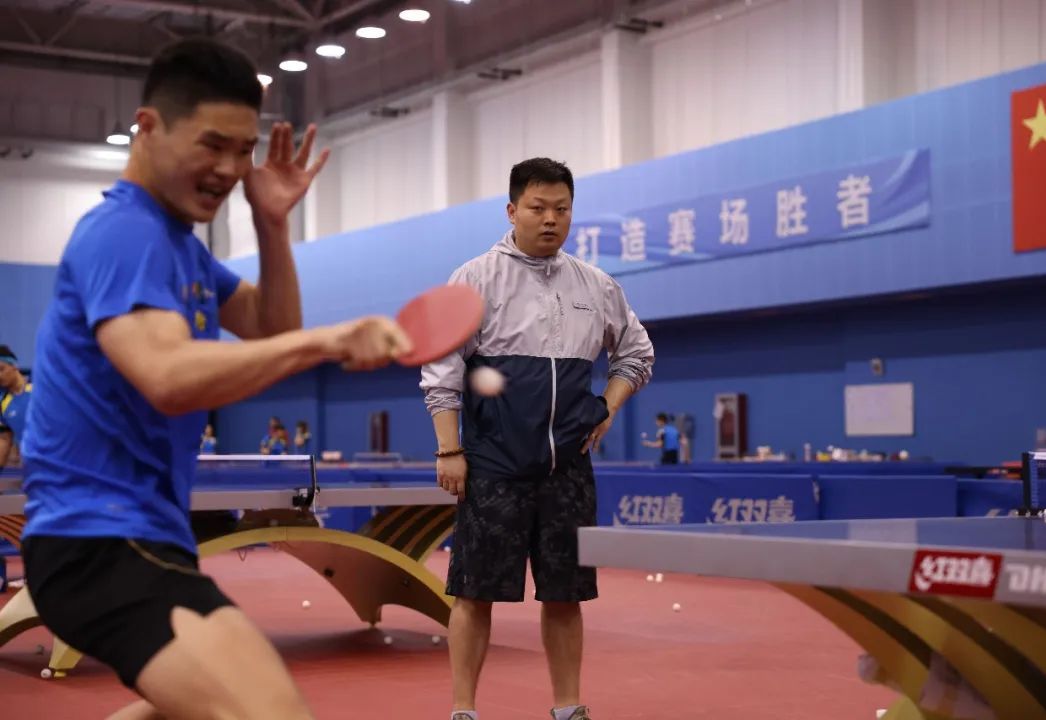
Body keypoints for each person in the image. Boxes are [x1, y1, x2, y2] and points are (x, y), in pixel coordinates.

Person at [20, 38, 411, 720]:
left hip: (147, 536)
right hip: (97, 541)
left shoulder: (181, 247)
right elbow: (167, 374)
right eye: (212, 145)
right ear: (148, 127)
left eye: (243, 149)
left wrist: (272, 223)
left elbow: (269, 326)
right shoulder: (125, 233)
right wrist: (330, 340)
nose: (230, 168)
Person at [421, 157, 655, 720]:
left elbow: (636, 354)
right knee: (473, 592)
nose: (551, 219)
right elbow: (442, 369)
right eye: (538, 207)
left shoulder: (596, 285)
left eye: (562, 209)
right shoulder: (474, 279)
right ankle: (463, 709)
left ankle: (568, 707)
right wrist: (449, 449)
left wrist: (607, 407)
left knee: (566, 594)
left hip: (566, 471)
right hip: (493, 465)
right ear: (512, 210)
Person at [0, 345, 32, 467]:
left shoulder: (41, 385)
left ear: (14, 366)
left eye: (1, 369)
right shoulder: (2, 401)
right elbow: (4, 439)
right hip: (34, 465)